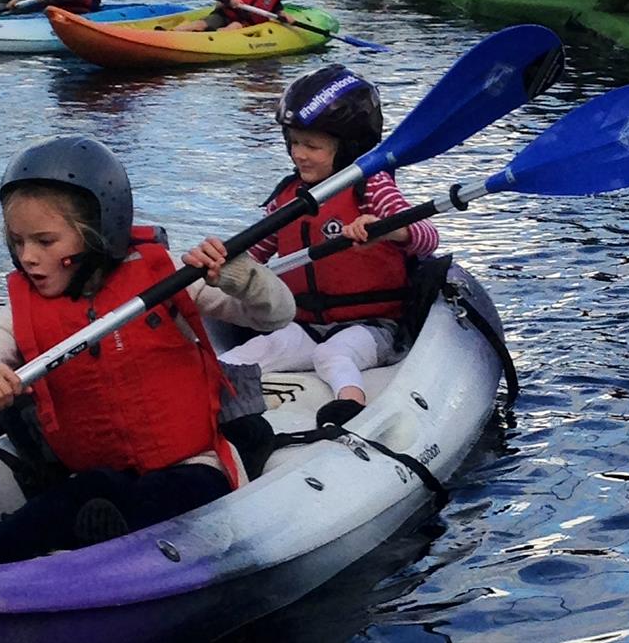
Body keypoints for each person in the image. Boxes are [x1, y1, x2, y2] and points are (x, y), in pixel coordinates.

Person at [0, 135, 295, 570]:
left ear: (97, 234)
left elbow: (276, 314)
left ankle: (114, 539)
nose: (27, 257)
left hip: (190, 463)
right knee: (70, 499)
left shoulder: (168, 279)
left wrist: (241, 278)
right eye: (18, 241)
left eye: (45, 242)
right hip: (96, 473)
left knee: (177, 491)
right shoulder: (21, 310)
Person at [187, 65, 440, 429]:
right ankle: (205, 411)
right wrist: (219, 268)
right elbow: (255, 257)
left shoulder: (372, 186)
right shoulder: (288, 199)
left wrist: (387, 231)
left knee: (333, 354)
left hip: (373, 327)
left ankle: (350, 407)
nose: (298, 154)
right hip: (302, 324)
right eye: (293, 142)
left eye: (312, 145)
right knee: (247, 354)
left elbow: (428, 236)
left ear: (348, 147)